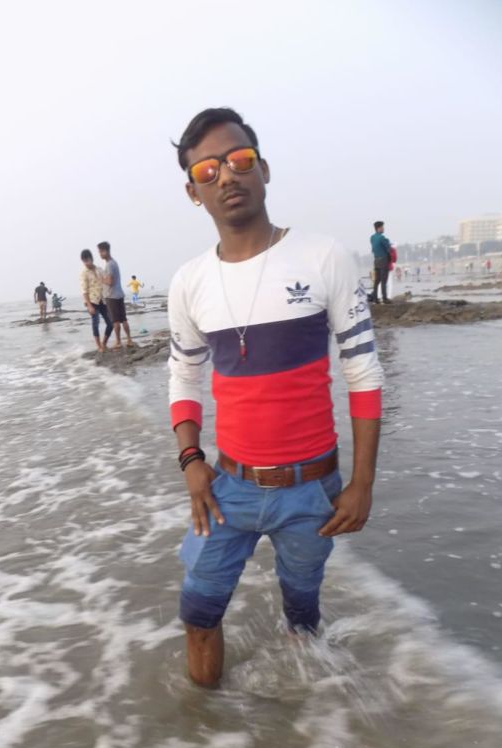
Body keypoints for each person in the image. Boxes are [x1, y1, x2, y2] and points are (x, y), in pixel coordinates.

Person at [168, 107, 383, 687]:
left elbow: (363, 373)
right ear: (193, 192)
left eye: (239, 160)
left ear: (263, 168)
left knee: (302, 617)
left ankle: (306, 722)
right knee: (198, 615)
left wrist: (362, 483)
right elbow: (184, 376)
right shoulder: (190, 282)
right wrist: (191, 462)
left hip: (312, 490)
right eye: (207, 170)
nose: (226, 176)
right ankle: (204, 728)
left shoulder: (322, 257)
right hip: (227, 488)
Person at [97, 241, 134, 349]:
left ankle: (118, 341)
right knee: (124, 319)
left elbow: (110, 282)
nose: (100, 254)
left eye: (100, 252)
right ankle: (129, 339)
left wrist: (101, 279)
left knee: (116, 321)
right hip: (119, 294)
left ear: (106, 251)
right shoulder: (114, 262)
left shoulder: (109, 265)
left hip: (112, 296)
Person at [80, 249, 112, 352]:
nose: (86, 263)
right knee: (95, 323)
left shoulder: (99, 269)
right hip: (93, 301)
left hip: (103, 299)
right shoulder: (84, 273)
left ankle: (104, 343)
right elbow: (84, 290)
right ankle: (98, 346)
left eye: (87, 260)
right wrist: (89, 305)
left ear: (91, 259)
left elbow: (107, 281)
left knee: (110, 323)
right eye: (84, 261)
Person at [369, 221, 391, 304]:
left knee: (377, 280)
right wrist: (388, 242)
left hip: (376, 260)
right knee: (384, 280)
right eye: (382, 227)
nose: (383, 228)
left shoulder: (372, 237)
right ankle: (384, 298)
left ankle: (375, 298)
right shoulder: (382, 238)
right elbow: (388, 248)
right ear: (379, 228)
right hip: (383, 260)